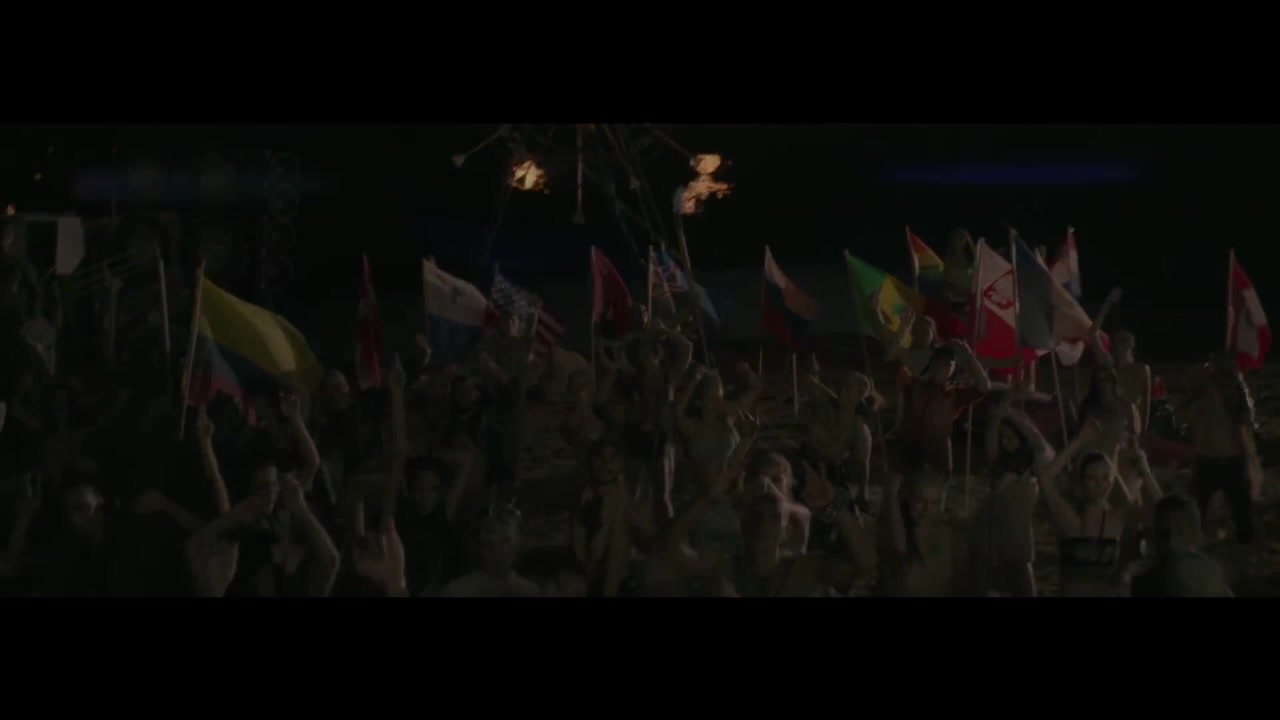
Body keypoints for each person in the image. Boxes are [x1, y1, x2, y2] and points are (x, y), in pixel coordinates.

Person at [969, 380, 1048, 597]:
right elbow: (991, 443)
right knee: (991, 582)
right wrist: (1003, 408)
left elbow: (1037, 441)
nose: (1006, 442)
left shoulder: (1032, 462)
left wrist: (1011, 413)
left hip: (1017, 533)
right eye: (1003, 438)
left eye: (1011, 437)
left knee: (1021, 577)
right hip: (993, 528)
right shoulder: (1000, 461)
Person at [1179, 353, 1259, 547]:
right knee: (1204, 510)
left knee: (1238, 514)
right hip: (1214, 458)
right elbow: (1185, 416)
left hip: (1225, 458)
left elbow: (1244, 424)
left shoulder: (1232, 393)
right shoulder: (1210, 392)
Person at [894, 340, 990, 478]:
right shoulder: (915, 385)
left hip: (935, 460)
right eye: (938, 361)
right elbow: (896, 359)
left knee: (926, 487)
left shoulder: (955, 395)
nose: (941, 367)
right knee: (894, 483)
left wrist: (969, 356)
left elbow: (983, 386)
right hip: (906, 453)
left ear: (953, 370)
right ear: (931, 364)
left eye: (947, 364)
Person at [877, 468, 969, 596]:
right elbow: (898, 547)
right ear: (909, 500)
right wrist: (891, 495)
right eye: (921, 501)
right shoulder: (896, 528)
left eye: (934, 503)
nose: (927, 509)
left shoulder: (948, 533)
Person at [1129, 494, 1233, 597]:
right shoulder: (1203, 570)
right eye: (1194, 520)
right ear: (1179, 523)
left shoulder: (1139, 581)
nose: (1198, 528)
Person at [439, 508, 541, 597]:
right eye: (490, 543)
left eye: (506, 541)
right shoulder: (456, 590)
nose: (499, 549)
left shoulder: (529, 591)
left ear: (519, 545)